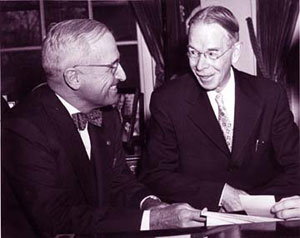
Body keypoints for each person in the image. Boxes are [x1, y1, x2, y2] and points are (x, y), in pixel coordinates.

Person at [1, 19, 205, 237]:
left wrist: (152, 204)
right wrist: (154, 220)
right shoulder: (23, 130)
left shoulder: (107, 114)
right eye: (112, 67)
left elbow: (119, 182)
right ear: (73, 78)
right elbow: (58, 220)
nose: (123, 75)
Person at [140, 6, 300, 213]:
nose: (200, 65)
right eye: (193, 53)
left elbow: (296, 165)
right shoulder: (168, 100)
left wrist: (254, 204)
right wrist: (219, 194)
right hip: (201, 221)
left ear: (235, 53)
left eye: (212, 54)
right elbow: (155, 175)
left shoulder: (270, 95)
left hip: (265, 220)